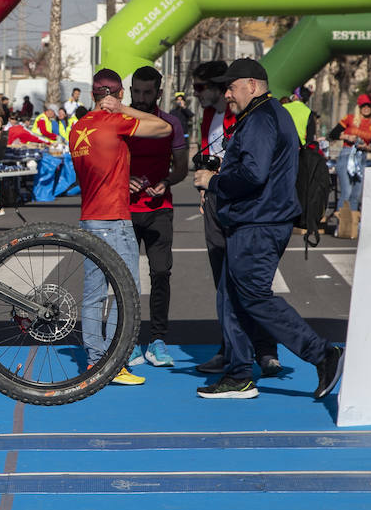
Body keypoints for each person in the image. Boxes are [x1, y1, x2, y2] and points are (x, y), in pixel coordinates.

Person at [192, 58, 345, 400]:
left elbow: (253, 175)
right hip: (256, 219)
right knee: (231, 297)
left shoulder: (261, 118)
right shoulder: (267, 114)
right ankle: (239, 373)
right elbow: (255, 167)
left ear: (253, 85)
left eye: (231, 87)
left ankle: (322, 354)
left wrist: (213, 180)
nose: (227, 94)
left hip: (259, 222)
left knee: (254, 296)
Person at [69, 69, 172, 385]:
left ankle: (95, 361)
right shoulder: (114, 120)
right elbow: (164, 128)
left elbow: (96, 169)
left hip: (90, 217)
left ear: (92, 95)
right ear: (117, 95)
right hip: (114, 220)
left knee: (93, 296)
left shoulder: (78, 129)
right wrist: (123, 109)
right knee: (124, 293)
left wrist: (120, 179)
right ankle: (115, 362)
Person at [191, 61, 282, 378]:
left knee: (251, 281)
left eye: (202, 87)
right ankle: (229, 348)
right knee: (223, 283)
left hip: (240, 203)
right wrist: (204, 188)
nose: (196, 94)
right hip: (216, 200)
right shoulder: (208, 116)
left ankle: (266, 350)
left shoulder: (241, 112)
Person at [126, 65, 188, 369]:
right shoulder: (120, 121)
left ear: (158, 93)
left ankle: (158, 340)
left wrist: (168, 181)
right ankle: (130, 339)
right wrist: (124, 178)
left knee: (161, 273)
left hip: (159, 209)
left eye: (146, 92)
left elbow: (182, 167)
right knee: (126, 278)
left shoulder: (171, 123)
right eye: (135, 91)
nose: (140, 97)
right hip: (124, 210)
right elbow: (105, 160)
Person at [334, 93, 371, 238]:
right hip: (347, 155)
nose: (366, 109)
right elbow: (333, 134)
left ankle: (352, 227)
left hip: (361, 158)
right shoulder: (350, 119)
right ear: (359, 107)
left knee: (356, 194)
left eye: (368, 106)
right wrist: (347, 137)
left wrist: (365, 147)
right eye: (363, 106)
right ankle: (341, 225)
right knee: (346, 192)